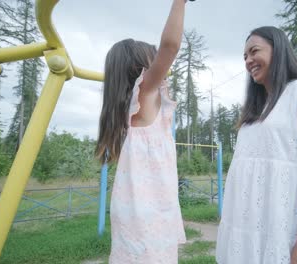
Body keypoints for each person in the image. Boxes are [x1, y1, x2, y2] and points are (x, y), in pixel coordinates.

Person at [216, 26, 297, 264]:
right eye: (244, 57)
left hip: (287, 232)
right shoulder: (257, 108)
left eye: (254, 51)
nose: (248, 60)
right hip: (248, 233)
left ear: (278, 50)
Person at [95, 1, 190, 263]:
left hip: (136, 213)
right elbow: (170, 46)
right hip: (148, 215)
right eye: (156, 61)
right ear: (142, 71)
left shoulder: (124, 109)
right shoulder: (146, 93)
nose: (164, 69)